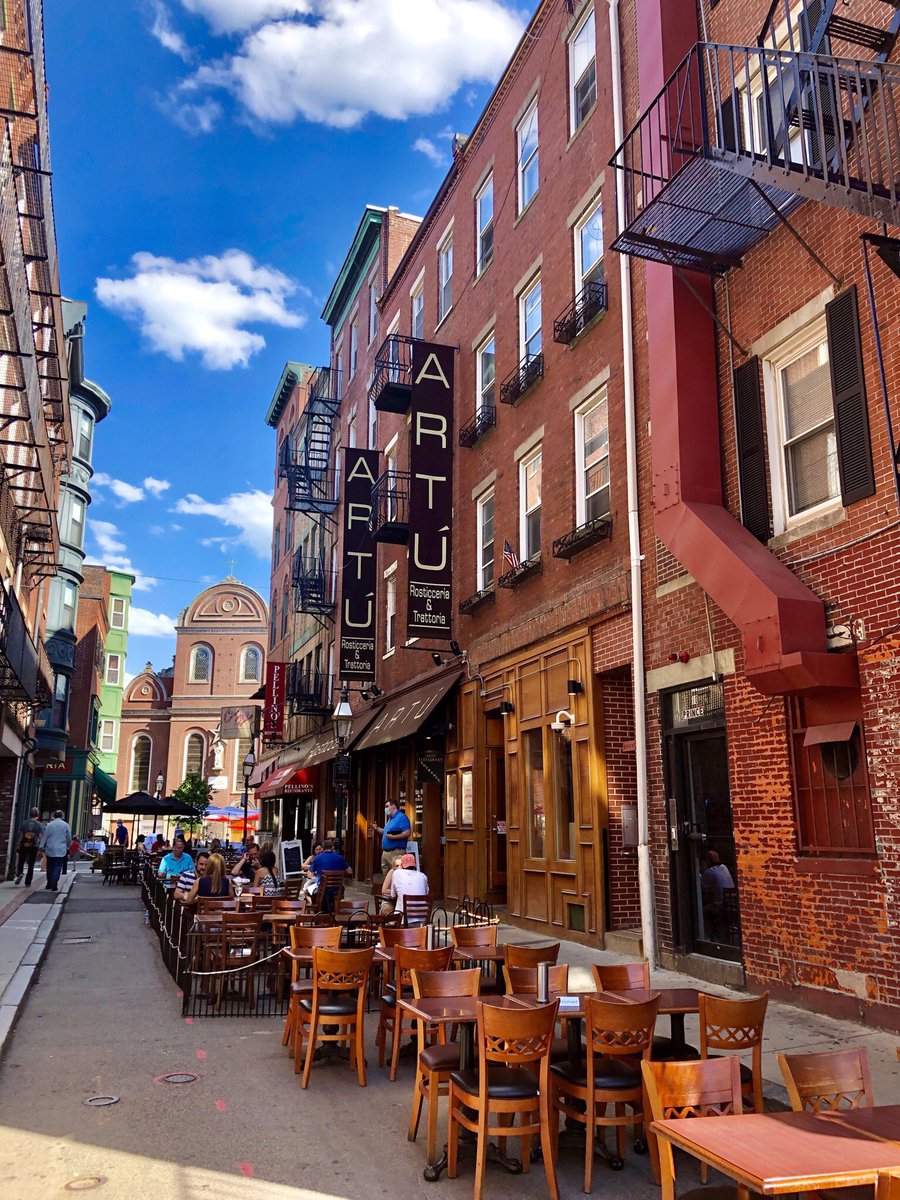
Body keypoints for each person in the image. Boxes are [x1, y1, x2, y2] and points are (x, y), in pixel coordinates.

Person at [308, 838, 351, 913]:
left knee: (309, 890)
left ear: (322, 848)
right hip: (337, 889)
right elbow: (350, 871)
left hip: (322, 890)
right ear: (332, 847)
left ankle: (317, 912)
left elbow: (309, 874)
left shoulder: (317, 858)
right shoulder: (340, 858)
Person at [372, 799, 411, 876]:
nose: (385, 809)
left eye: (387, 806)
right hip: (386, 853)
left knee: (397, 876)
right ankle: (388, 888)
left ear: (393, 806)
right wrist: (376, 828)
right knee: (386, 877)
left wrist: (394, 837)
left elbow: (407, 832)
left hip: (396, 852)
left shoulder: (401, 817)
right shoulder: (390, 819)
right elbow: (385, 832)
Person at [388, 853, 429, 918]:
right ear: (414, 864)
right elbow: (426, 893)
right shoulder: (423, 876)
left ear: (401, 865)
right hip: (422, 918)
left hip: (403, 919)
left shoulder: (396, 873)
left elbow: (393, 895)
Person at [40, 811, 71, 892]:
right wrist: (68, 846)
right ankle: (55, 881)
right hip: (61, 849)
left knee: (49, 866)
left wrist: (41, 846)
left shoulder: (49, 825)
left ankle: (49, 883)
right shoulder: (65, 825)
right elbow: (69, 837)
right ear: (62, 816)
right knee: (57, 866)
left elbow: (44, 837)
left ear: (54, 816)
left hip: (50, 848)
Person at [15, 808, 44, 886]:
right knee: (31, 864)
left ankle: (20, 872)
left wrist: (18, 844)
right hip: (34, 845)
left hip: (24, 844)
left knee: (21, 860)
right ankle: (28, 882)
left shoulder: (24, 823)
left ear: (30, 814)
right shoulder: (40, 825)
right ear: (38, 815)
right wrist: (41, 847)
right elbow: (41, 837)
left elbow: (21, 835)